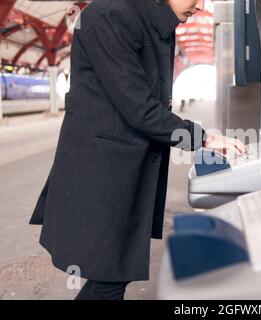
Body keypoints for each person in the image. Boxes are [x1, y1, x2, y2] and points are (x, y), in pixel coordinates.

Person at [29, 0, 245, 300]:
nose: (201, 6)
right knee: (110, 277)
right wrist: (204, 139)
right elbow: (140, 108)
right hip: (101, 173)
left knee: (110, 276)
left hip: (121, 171)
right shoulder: (112, 16)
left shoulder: (150, 20)